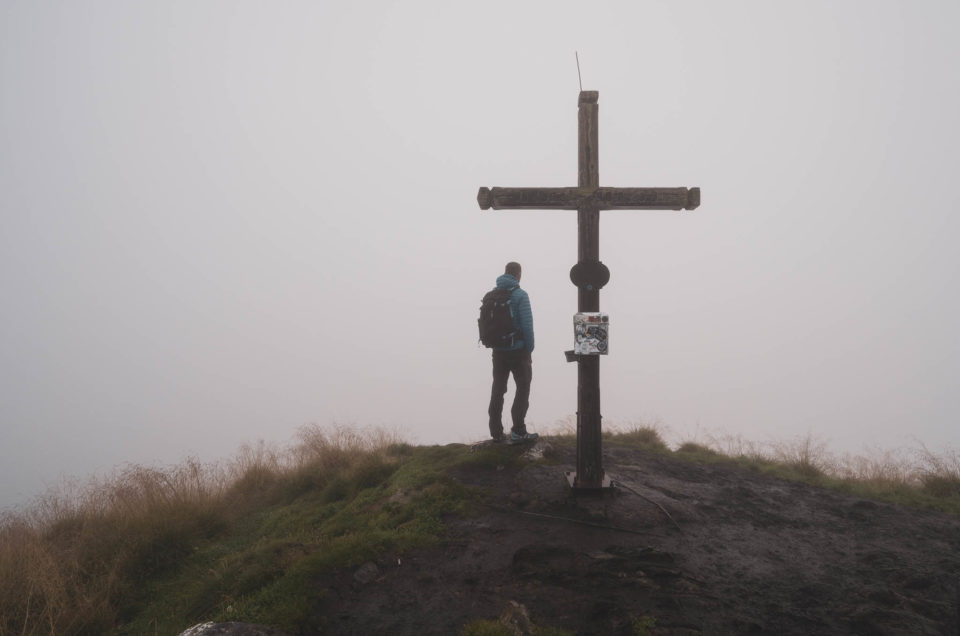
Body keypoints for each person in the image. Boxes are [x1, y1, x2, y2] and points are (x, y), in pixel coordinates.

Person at [488, 262, 539, 444]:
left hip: (498, 352)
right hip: (518, 352)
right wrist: (529, 349)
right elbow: (527, 326)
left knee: (498, 390)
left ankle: (496, 433)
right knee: (522, 388)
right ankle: (518, 431)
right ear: (518, 274)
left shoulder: (491, 296)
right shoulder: (520, 295)